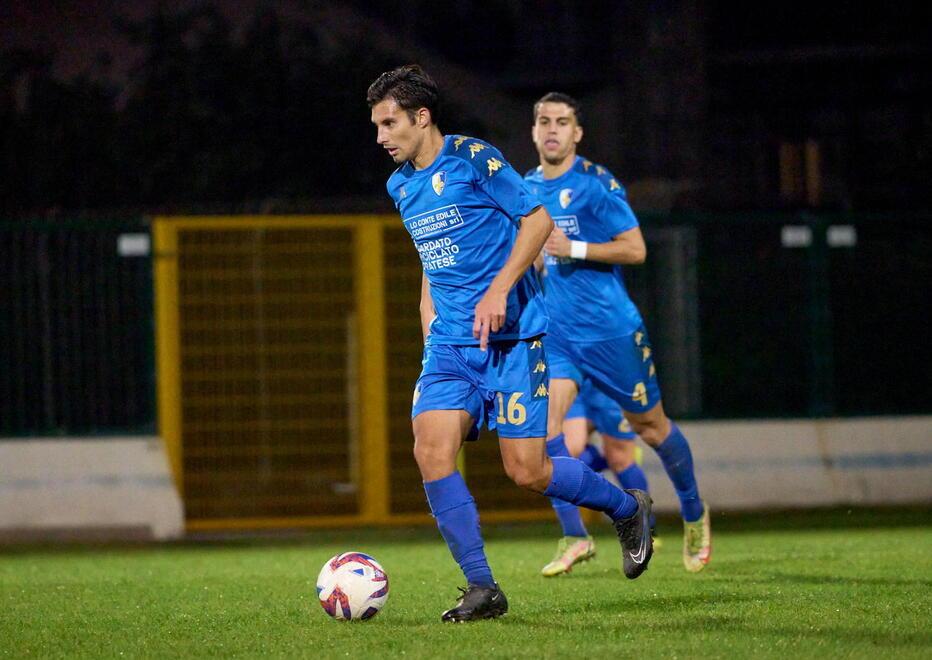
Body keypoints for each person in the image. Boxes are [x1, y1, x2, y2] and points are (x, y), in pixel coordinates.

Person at [368, 66, 654, 622]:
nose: (381, 136)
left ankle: (626, 508)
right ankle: (482, 587)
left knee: (527, 471)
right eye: (377, 125)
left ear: (421, 118)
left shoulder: (474, 158)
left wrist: (499, 289)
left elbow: (538, 219)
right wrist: (426, 307)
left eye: (389, 123)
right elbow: (435, 250)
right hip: (452, 345)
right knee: (429, 450)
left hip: (514, 338)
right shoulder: (399, 186)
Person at [525, 92, 711, 576]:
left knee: (652, 428)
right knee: (541, 436)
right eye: (543, 121)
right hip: (558, 336)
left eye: (562, 122)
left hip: (610, 333)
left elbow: (636, 249)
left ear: (577, 133)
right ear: (533, 130)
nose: (552, 129)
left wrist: (575, 247)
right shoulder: (525, 188)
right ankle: (575, 534)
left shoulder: (596, 185)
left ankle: (694, 512)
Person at [541, 379, 656, 576]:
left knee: (621, 459)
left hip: (604, 379)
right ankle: (575, 535)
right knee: (562, 454)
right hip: (571, 381)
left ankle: (649, 528)